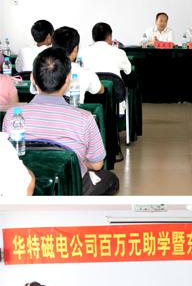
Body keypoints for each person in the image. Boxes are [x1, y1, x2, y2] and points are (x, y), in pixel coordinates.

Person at [3, 47, 119, 196]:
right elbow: (97, 164)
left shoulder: (12, 116)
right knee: (110, 179)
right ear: (68, 80)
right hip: (68, 189)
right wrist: (77, 160)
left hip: (24, 186)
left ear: (32, 78)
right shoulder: (84, 118)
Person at [52, 26, 104, 104]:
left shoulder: (43, 69)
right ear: (76, 49)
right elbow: (100, 90)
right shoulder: (85, 73)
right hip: (73, 111)